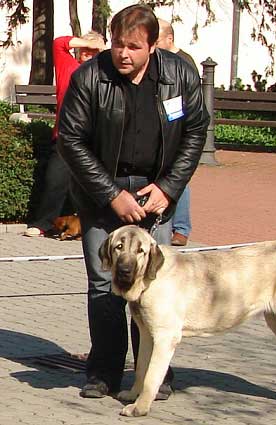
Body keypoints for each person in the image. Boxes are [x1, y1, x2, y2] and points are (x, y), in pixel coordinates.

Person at [57, 4, 209, 399]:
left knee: (153, 283)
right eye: (118, 45)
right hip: (99, 191)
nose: (123, 54)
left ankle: (152, 376)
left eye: (134, 47)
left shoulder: (180, 75)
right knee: (104, 282)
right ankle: (104, 372)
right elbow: (71, 140)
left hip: (155, 188)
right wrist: (111, 195)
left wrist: (169, 188)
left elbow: (196, 132)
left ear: (153, 46)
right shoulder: (90, 77)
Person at [24, 32, 105, 237]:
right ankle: (44, 223)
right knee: (55, 179)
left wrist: (102, 50)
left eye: (95, 50)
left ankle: (86, 226)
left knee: (89, 184)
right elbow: (59, 43)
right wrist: (89, 42)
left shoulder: (104, 73)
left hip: (93, 138)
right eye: (86, 48)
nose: (89, 52)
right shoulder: (68, 66)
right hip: (65, 135)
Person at [156, 18, 198, 246]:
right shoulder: (160, 59)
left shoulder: (183, 62)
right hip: (163, 129)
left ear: (169, 39)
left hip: (178, 128)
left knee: (178, 177)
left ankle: (181, 228)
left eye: (157, 39)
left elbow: (184, 102)